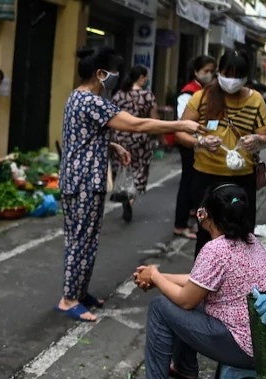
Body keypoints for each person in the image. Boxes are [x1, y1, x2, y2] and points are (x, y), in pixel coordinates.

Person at [55, 45, 202, 322]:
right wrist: (179, 126)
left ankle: (79, 291)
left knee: (86, 240)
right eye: (113, 71)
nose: (117, 76)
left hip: (78, 178)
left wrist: (110, 146)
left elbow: (82, 135)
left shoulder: (77, 96)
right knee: (80, 241)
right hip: (85, 180)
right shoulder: (93, 101)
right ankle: (69, 299)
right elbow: (136, 125)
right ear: (100, 73)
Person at [118, 184, 266, 379]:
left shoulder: (216, 250)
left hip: (245, 347)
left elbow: (187, 298)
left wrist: (156, 276)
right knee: (196, 300)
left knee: (161, 306)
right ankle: (184, 368)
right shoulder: (249, 241)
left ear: (206, 214)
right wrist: (157, 276)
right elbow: (199, 282)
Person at [175, 50, 266, 258]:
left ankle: (238, 280)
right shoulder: (201, 98)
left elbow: (265, 135)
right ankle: (203, 279)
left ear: (246, 77)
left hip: (242, 179)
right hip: (206, 177)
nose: (232, 81)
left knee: (242, 232)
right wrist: (199, 142)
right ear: (219, 73)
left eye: (238, 76)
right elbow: (180, 132)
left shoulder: (256, 100)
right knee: (206, 232)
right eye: (228, 74)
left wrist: (257, 140)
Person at [174, 55, 216, 239]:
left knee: (196, 184)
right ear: (196, 72)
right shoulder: (188, 93)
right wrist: (200, 138)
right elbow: (183, 122)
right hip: (190, 143)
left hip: (204, 143)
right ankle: (180, 224)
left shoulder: (208, 91)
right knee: (188, 183)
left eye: (211, 71)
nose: (209, 74)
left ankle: (192, 216)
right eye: (205, 71)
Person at [111, 65, 159, 222]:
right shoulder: (148, 96)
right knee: (140, 169)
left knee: (123, 167)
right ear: (142, 78)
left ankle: (122, 192)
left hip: (120, 138)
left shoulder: (118, 95)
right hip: (140, 139)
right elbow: (154, 120)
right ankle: (130, 199)